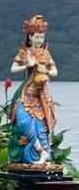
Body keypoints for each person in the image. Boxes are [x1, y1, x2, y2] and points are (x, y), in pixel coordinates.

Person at [9, 15, 59, 167]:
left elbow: (55, 71)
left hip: (41, 95)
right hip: (27, 93)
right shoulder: (25, 52)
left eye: (42, 37)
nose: (39, 40)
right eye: (37, 37)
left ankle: (45, 154)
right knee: (22, 122)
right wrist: (28, 65)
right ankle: (39, 151)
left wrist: (45, 70)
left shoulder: (45, 54)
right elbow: (13, 69)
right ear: (30, 37)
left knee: (40, 126)